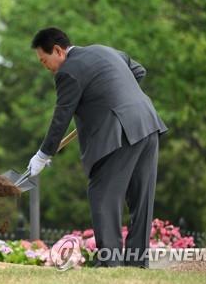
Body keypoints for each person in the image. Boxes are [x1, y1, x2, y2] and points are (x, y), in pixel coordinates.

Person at [27, 27, 168, 268]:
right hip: (147, 124)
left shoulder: (67, 73)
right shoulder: (105, 50)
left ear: (58, 51)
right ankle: (136, 265)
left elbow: (61, 117)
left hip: (121, 132)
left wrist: (43, 154)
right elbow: (139, 71)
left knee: (102, 195)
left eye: (44, 60)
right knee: (141, 199)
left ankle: (109, 263)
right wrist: (113, 95)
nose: (45, 66)